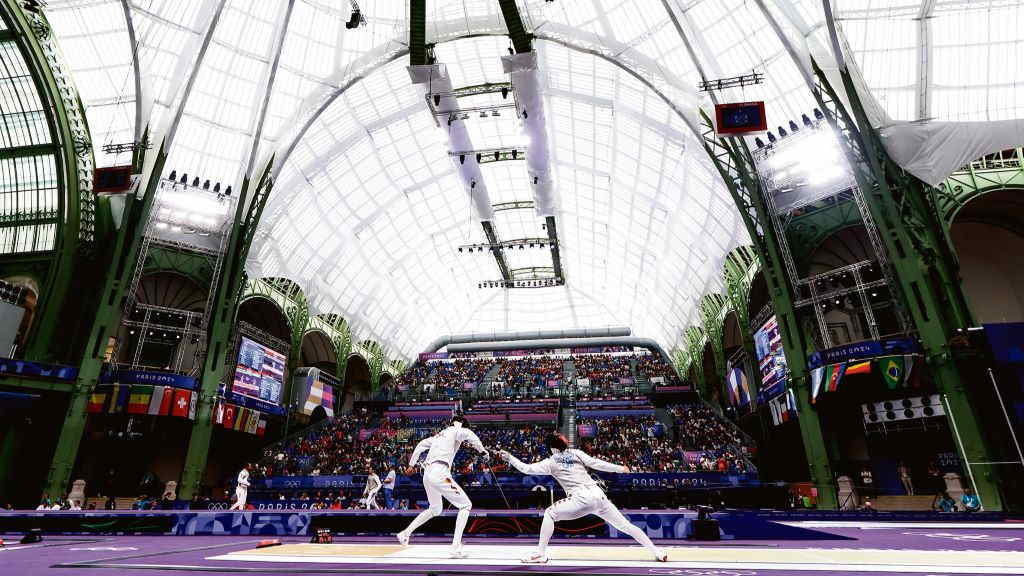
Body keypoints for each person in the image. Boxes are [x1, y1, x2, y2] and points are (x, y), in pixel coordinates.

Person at [499, 432, 668, 564]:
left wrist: (509, 458)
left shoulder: (550, 462)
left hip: (581, 499)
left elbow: (526, 469)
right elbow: (597, 463)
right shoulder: (576, 453)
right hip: (599, 496)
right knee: (626, 526)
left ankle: (540, 554)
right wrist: (620, 468)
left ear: (551, 447)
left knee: (550, 513)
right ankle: (657, 552)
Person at [396, 414, 489, 558]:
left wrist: (411, 465)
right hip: (440, 472)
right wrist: (482, 451)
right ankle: (455, 547)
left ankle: (405, 533)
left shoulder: (438, 436)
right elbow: (470, 434)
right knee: (465, 505)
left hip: (427, 474)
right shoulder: (457, 430)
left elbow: (420, 445)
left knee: (435, 509)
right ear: (461, 424)